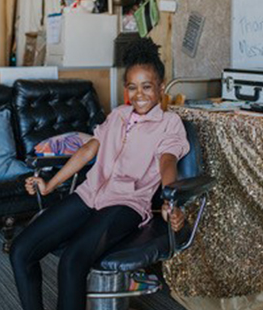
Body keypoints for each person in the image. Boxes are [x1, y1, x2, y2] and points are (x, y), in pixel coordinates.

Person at [10, 38, 190, 310]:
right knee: (21, 250)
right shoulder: (118, 115)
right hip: (89, 193)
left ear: (161, 88)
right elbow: (88, 150)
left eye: (147, 86)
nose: (139, 94)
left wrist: (170, 197)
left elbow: (167, 161)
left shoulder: (169, 124)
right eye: (132, 87)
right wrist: (49, 185)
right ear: (126, 89)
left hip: (125, 204)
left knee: (72, 261)